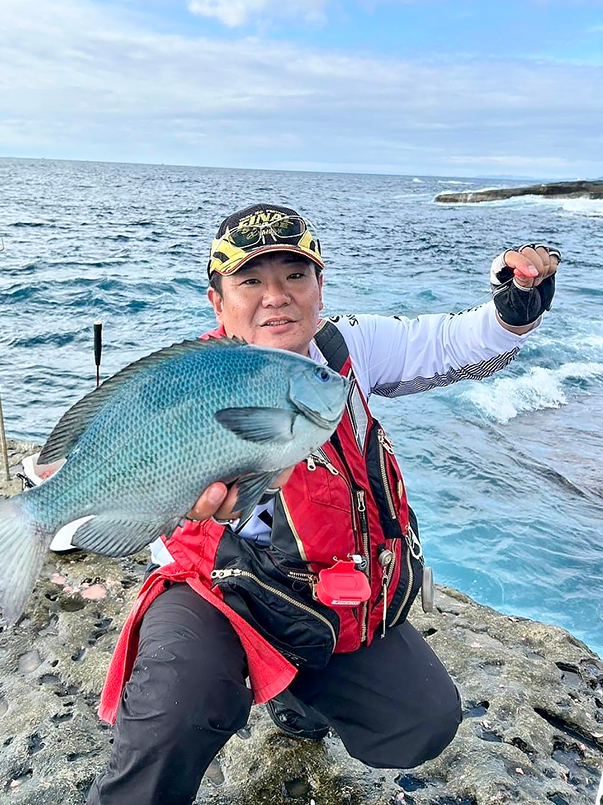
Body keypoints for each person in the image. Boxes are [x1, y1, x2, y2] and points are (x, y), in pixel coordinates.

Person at [87, 203, 560, 805]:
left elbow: (448, 342)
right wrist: (175, 500)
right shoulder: (193, 377)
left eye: (294, 275)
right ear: (217, 303)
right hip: (214, 588)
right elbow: (128, 464)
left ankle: (295, 697)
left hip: (320, 593)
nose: (276, 296)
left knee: (421, 720)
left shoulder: (341, 350)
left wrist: (513, 310)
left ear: (319, 287)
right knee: (177, 706)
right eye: (250, 281)